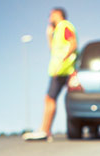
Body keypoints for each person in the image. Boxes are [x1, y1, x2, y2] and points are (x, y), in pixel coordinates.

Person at [24, 7, 77, 141]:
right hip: (60, 69)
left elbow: (73, 44)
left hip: (62, 69)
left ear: (58, 14)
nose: (49, 18)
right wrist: (49, 35)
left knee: (49, 98)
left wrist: (63, 61)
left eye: (51, 15)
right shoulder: (57, 30)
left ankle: (45, 130)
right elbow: (52, 50)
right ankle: (46, 131)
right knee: (56, 98)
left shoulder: (64, 26)